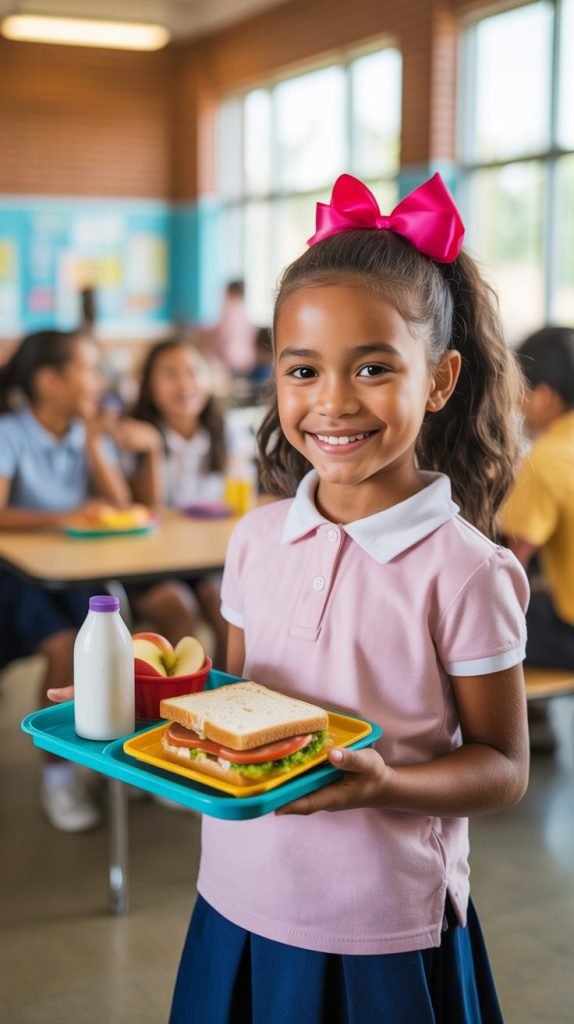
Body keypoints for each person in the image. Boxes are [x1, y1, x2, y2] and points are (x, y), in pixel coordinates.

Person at [51, 174, 530, 1023]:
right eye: (302, 369)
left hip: (382, 922)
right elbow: (235, 702)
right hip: (236, 893)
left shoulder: (467, 569)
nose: (334, 402)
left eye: (375, 367)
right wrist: (135, 704)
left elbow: (503, 768)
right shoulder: (255, 539)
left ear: (440, 379)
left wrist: (387, 782)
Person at [0, 328, 130, 832]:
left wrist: (96, 443)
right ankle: (58, 775)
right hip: (17, 575)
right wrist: (68, 515)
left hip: (75, 573)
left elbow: (120, 508)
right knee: (62, 650)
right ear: (49, 380)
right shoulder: (10, 432)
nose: (99, 381)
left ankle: (108, 748)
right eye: (89, 369)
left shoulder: (83, 432)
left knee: (116, 643)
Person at [116, 339, 228, 667]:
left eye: (193, 372)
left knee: (226, 605)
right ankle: (175, 703)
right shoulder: (136, 436)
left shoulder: (221, 432)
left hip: (202, 561)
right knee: (179, 609)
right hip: (147, 566)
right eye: (170, 374)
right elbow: (145, 514)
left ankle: (223, 694)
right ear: (149, 387)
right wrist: (152, 449)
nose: (185, 383)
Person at [499, 327, 574, 752]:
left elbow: (512, 568)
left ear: (544, 394)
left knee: (473, 621)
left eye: (523, 394)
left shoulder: (546, 460)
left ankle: (514, 731)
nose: (519, 406)